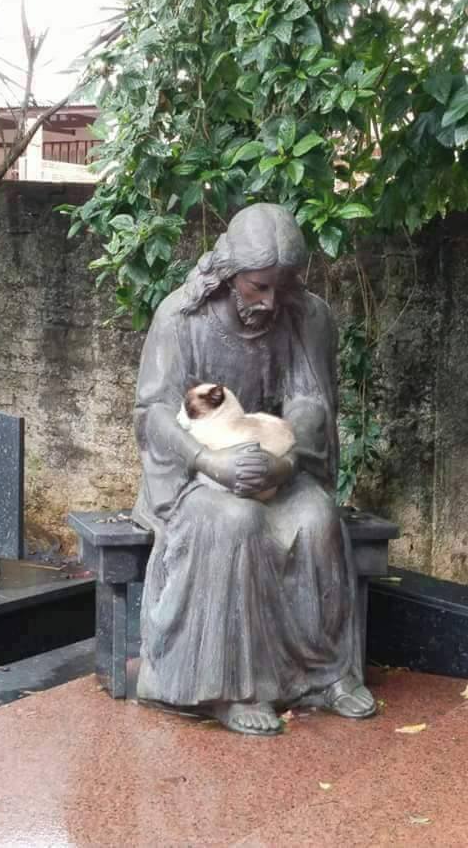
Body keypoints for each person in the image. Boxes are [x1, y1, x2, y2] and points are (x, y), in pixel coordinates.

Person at [132, 203, 375, 736]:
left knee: (317, 518)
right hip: (197, 470)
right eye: (258, 286)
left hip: (274, 460)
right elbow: (154, 412)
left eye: (281, 287)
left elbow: (310, 400)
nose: (270, 301)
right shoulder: (181, 318)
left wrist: (284, 462)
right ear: (228, 275)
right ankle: (230, 688)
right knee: (235, 522)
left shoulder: (306, 316)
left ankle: (323, 675)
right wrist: (209, 461)